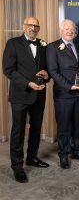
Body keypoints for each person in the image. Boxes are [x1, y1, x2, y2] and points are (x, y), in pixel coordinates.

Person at [2, 17, 50, 183]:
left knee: (36, 129)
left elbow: (47, 70)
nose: (33, 28)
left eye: (36, 25)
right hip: (21, 94)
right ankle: (17, 167)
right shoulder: (13, 43)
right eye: (30, 25)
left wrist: (47, 75)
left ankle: (32, 158)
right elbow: (8, 70)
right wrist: (28, 83)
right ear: (24, 26)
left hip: (39, 94)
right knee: (18, 131)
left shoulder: (43, 44)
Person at [46, 19, 79, 169]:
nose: (70, 31)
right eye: (67, 29)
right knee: (64, 127)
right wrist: (69, 86)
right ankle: (64, 155)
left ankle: (78, 151)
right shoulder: (52, 47)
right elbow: (53, 71)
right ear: (61, 30)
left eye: (72, 29)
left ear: (76, 32)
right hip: (64, 94)